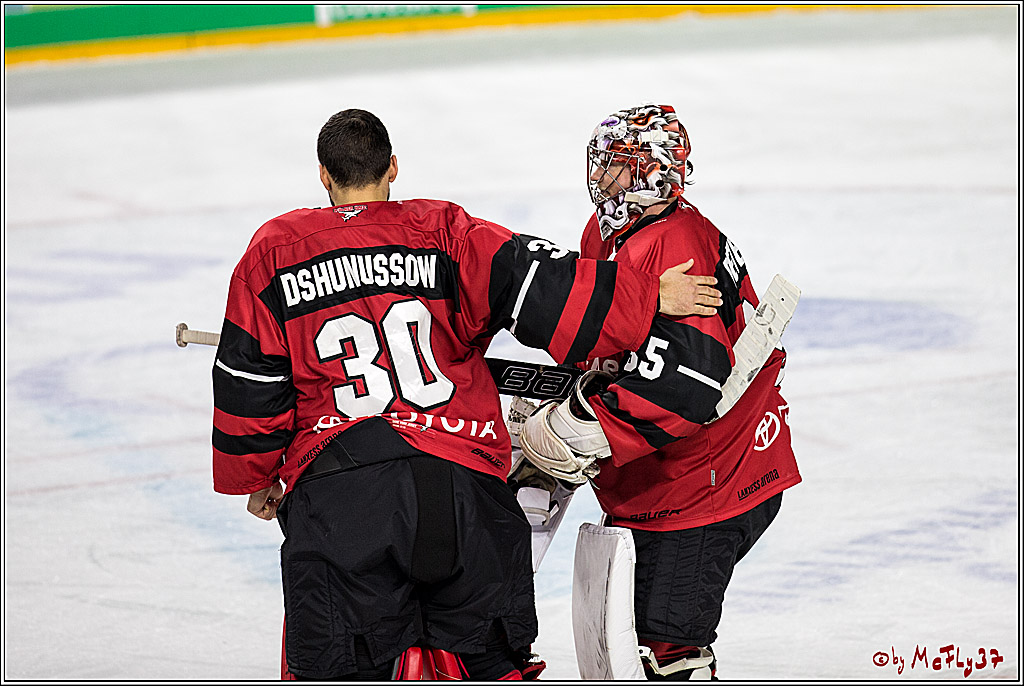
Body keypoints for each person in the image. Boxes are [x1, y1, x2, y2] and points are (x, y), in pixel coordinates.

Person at [210, 108, 723, 681]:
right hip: (464, 491)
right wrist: (645, 296)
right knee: (490, 664)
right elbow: (542, 286)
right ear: (394, 169)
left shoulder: (274, 251)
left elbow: (248, 381)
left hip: (343, 499)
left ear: (324, 176)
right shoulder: (446, 232)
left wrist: (256, 478)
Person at [520, 103, 801, 679]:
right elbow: (602, 325)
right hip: (665, 478)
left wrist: (589, 423)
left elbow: (689, 381)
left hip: (710, 484)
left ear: (656, 174)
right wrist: (573, 387)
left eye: (619, 168)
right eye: (600, 165)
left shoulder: (677, 244)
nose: (603, 180)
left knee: (667, 652)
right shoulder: (607, 231)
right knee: (633, 640)